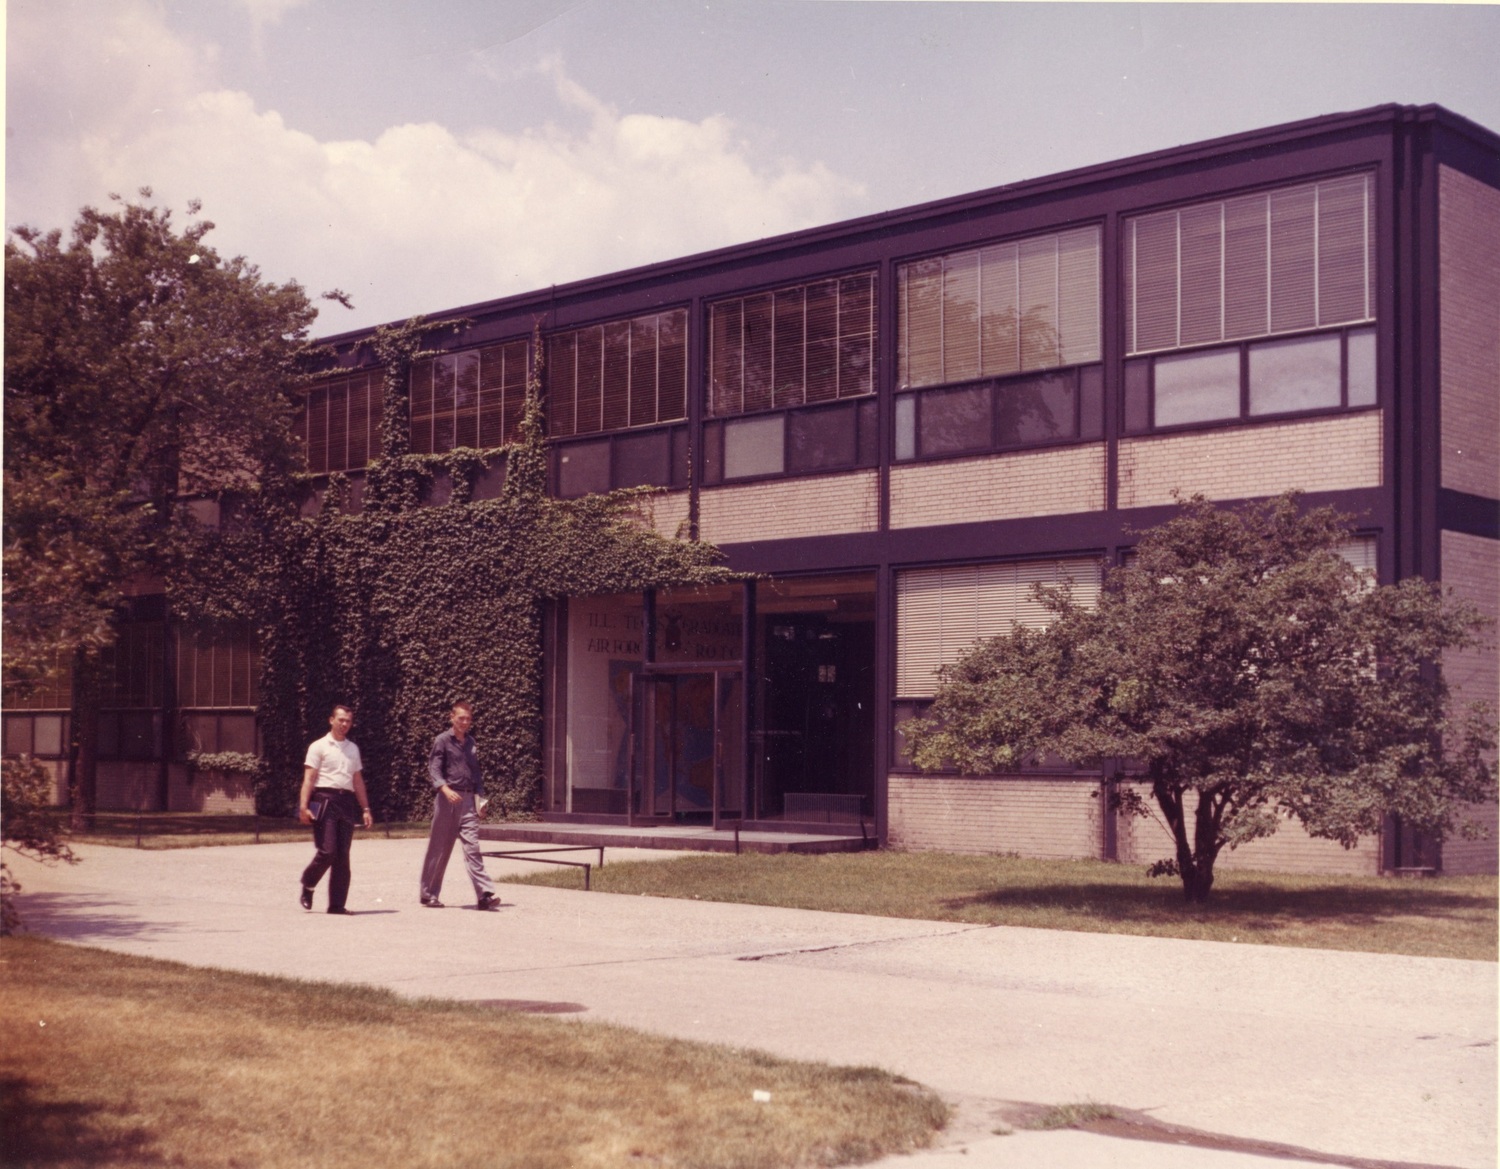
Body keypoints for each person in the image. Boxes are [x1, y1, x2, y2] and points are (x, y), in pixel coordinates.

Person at [420, 700, 500, 910]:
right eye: (461, 718)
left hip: (468, 802)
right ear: (452, 717)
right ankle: (428, 894)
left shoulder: (471, 743)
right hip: (447, 800)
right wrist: (445, 789)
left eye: (468, 719)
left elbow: (476, 774)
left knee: (473, 848)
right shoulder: (442, 741)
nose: (465, 722)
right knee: (440, 849)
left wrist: (480, 799)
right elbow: (434, 769)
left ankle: (484, 894)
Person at [298, 704, 373, 914]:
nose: (344, 724)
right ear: (331, 720)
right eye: (341, 720)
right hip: (325, 800)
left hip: (346, 802)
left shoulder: (352, 749)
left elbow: (357, 781)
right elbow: (309, 779)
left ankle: (337, 905)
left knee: (342, 856)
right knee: (327, 850)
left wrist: (365, 808)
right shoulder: (318, 746)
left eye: (348, 721)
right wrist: (303, 807)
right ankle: (308, 883)